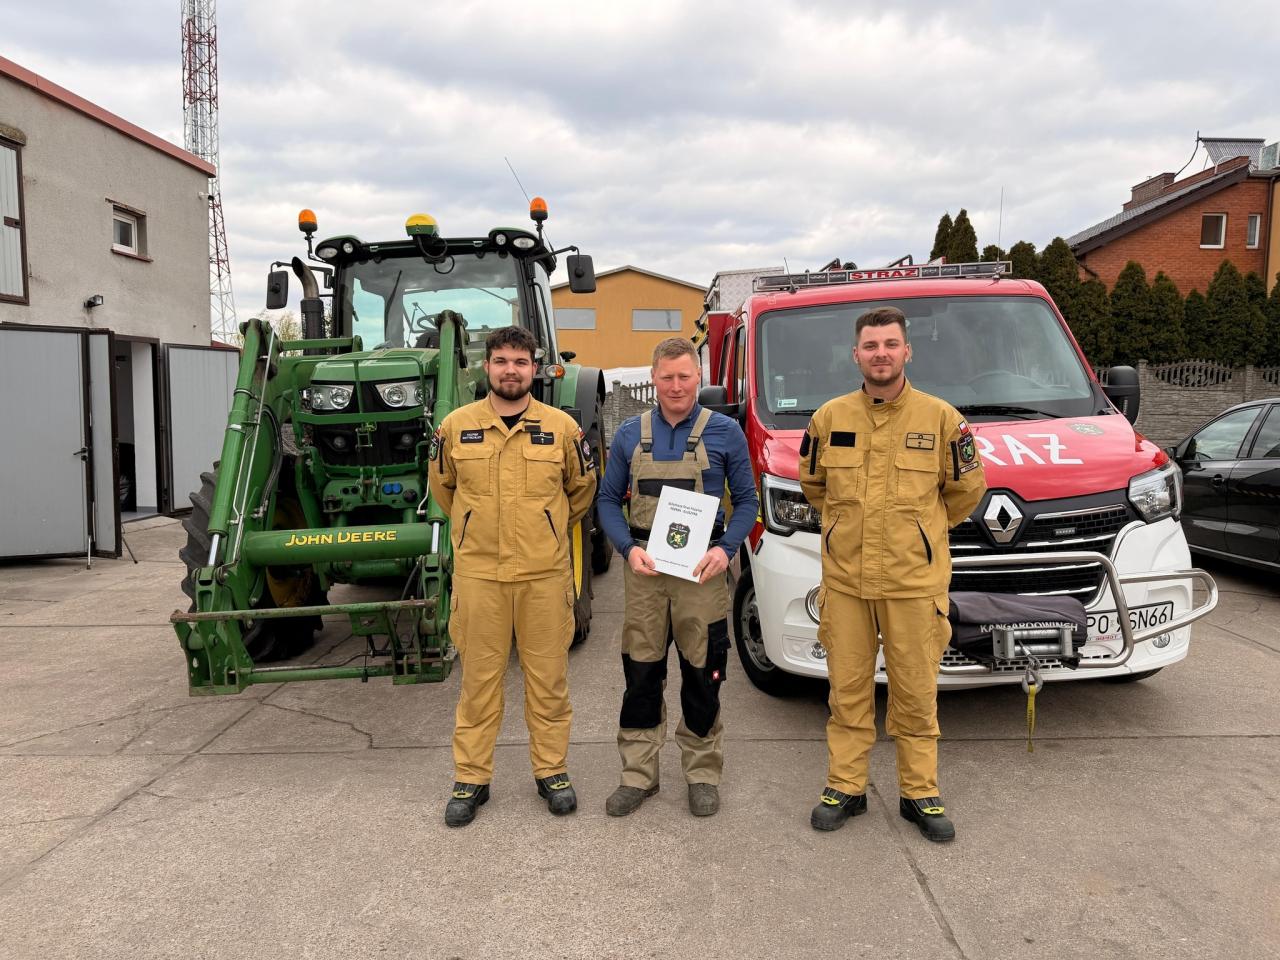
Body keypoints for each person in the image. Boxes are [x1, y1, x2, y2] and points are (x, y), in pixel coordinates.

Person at [800, 306, 986, 842]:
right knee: (848, 690)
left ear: (907, 351)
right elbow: (814, 484)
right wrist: (846, 527)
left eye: (890, 344)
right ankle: (845, 786)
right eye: (870, 345)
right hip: (847, 582)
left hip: (913, 584)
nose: (880, 353)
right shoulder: (829, 419)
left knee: (915, 691)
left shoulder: (943, 420)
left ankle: (919, 792)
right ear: (856, 354)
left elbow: (966, 490)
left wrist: (921, 532)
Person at [428, 325, 597, 827]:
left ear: (535, 369)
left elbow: (580, 491)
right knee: (479, 680)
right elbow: (444, 490)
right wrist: (476, 532)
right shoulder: (454, 428)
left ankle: (552, 771)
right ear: (487, 367)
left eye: (520, 363)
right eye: (501, 361)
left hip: (543, 576)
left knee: (548, 680)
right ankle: (472, 778)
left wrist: (543, 529)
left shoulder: (563, 428)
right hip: (479, 576)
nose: (510, 370)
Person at [597, 337, 758, 817]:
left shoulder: (726, 432)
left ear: (698, 378)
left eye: (684, 376)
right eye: (666, 376)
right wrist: (626, 549)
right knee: (641, 674)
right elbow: (607, 500)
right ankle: (638, 775)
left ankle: (702, 773)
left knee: (702, 674)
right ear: (654, 377)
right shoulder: (629, 433)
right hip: (645, 568)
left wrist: (725, 549)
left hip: (700, 572)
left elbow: (747, 500)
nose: (675, 385)